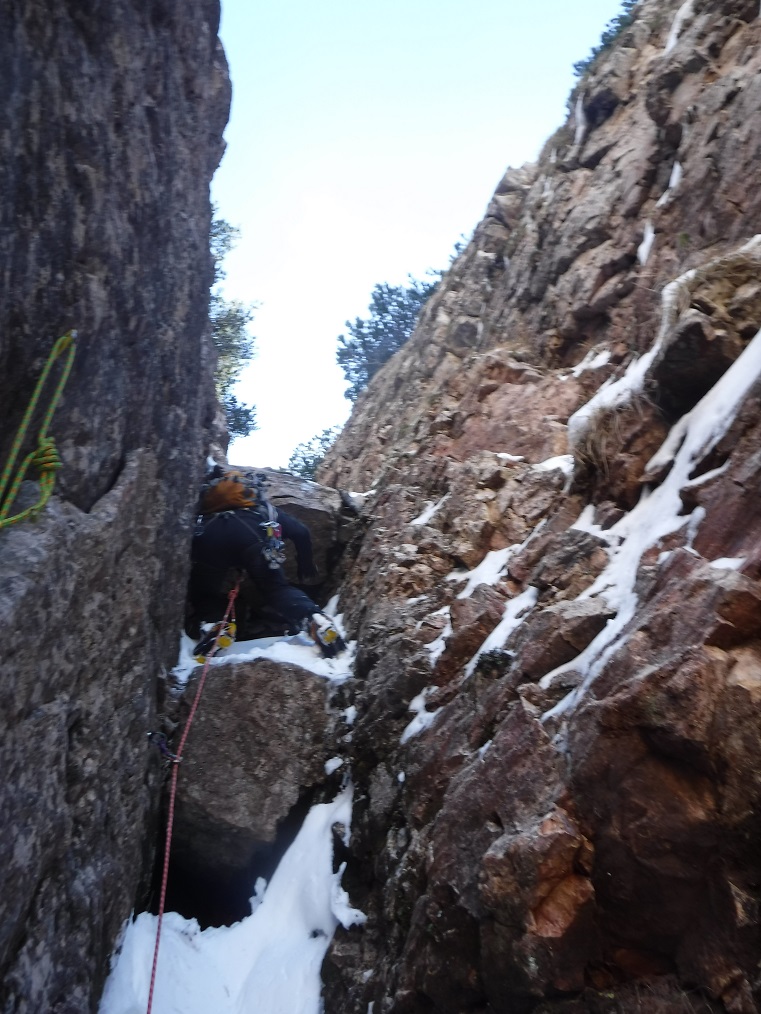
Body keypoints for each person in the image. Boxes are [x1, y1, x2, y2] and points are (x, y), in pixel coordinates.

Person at [186, 465, 346, 659]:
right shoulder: (261, 510)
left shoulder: (209, 508)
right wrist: (306, 562)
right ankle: (313, 618)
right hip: (252, 536)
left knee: (205, 592)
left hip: (212, 537)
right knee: (276, 590)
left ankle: (213, 625)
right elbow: (301, 531)